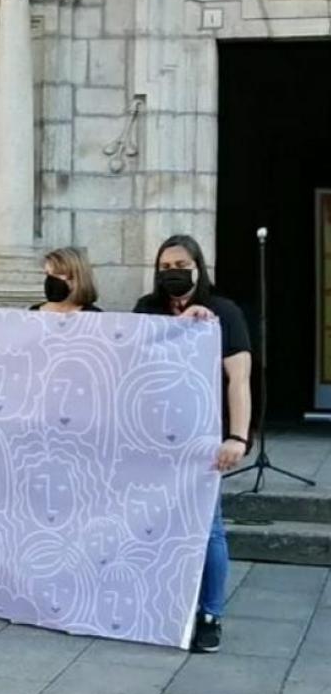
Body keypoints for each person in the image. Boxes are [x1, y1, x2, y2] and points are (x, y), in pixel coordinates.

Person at [133, 234, 252, 654]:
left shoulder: (223, 312)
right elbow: (130, 361)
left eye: (180, 264)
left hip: (203, 438)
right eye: (165, 265)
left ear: (198, 267)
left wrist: (238, 436)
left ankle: (209, 613)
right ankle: (161, 603)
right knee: (151, 523)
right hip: (153, 436)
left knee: (208, 528)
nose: (172, 272)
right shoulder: (148, 310)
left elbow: (238, 378)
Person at [30, 247, 102, 313]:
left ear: (78, 277)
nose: (51, 280)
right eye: (48, 273)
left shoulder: (94, 316)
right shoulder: (34, 314)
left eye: (59, 273)